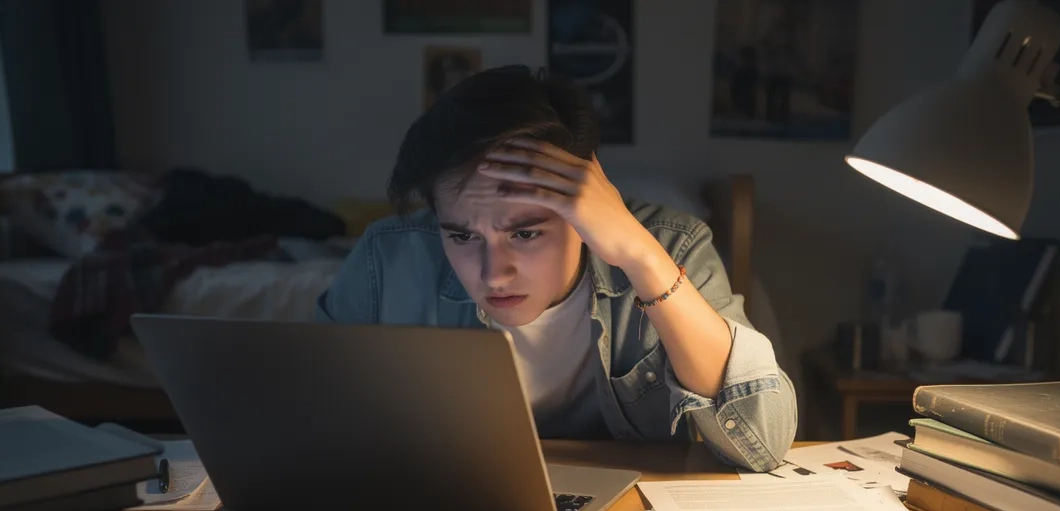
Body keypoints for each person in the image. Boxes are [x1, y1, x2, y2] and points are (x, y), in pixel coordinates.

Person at [316, 66, 795, 471]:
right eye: (462, 236)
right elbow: (310, 428)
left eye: (525, 233)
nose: (494, 274)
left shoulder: (673, 246)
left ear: (585, 206)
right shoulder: (387, 259)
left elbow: (763, 442)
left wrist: (639, 256)